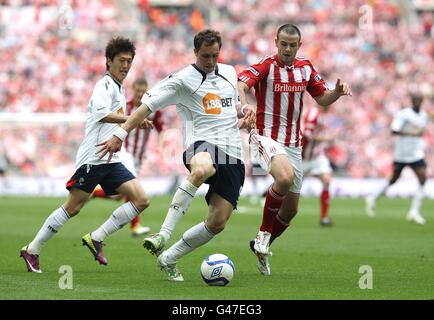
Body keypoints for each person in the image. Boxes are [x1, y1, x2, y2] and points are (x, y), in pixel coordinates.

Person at [96, 29, 255, 281]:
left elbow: (230, 106)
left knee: (217, 223)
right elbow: (146, 107)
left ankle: (168, 257)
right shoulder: (182, 80)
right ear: (195, 52)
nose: (210, 61)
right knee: (201, 169)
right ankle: (163, 234)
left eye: (215, 55)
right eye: (205, 56)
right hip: (201, 144)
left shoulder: (229, 72)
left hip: (232, 155)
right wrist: (121, 133)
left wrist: (245, 109)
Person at [20, 37, 152, 273]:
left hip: (111, 159)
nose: (125, 65)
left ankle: (97, 237)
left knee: (141, 200)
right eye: (121, 60)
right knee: (73, 208)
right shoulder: (104, 85)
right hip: (94, 157)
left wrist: (134, 122)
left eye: (129, 61)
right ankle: (33, 249)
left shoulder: (120, 89)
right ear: (108, 62)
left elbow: (118, 121)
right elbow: (102, 114)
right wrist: (134, 119)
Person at [237, 24, 352, 275]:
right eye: (283, 44)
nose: (287, 49)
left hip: (293, 145)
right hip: (265, 137)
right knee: (285, 178)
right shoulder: (266, 65)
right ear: (276, 41)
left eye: (292, 45)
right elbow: (241, 84)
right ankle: (263, 235)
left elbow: (322, 98)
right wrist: (245, 107)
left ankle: (262, 246)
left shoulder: (306, 68)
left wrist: (337, 93)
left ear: (299, 45)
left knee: (290, 211)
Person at [91, 77, 165, 237]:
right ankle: (135, 225)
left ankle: (95, 192)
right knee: (134, 191)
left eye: (142, 91)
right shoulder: (127, 107)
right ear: (133, 90)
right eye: (137, 91)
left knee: (119, 195)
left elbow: (161, 129)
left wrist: (159, 146)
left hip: (138, 156)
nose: (139, 94)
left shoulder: (152, 109)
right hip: (125, 153)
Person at [365, 92, 428, 225]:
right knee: (393, 179)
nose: (417, 102)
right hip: (402, 153)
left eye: (420, 100)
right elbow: (393, 130)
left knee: (423, 178)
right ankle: (373, 197)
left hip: (416, 153)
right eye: (415, 100)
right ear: (412, 101)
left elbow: (421, 131)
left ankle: (414, 211)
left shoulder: (423, 115)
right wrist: (410, 133)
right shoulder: (404, 114)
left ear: (422, 101)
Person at [302, 105, 334, 226]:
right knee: (289, 188)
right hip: (302, 158)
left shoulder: (320, 115)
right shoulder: (313, 113)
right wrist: (326, 138)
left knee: (326, 180)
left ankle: (324, 217)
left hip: (316, 157)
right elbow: (307, 135)